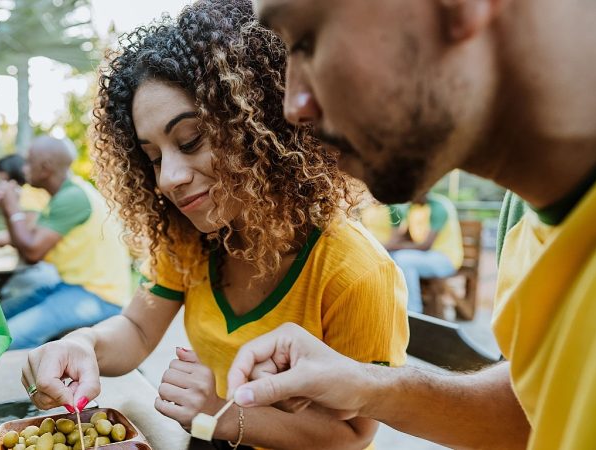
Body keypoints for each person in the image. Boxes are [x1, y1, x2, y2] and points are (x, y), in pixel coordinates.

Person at [21, 2, 408, 449]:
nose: (169, 178)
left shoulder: (357, 273)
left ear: (264, 123)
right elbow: (138, 330)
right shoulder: (190, 239)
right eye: (153, 157)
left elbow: (352, 435)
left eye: (190, 140)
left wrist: (225, 412)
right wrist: (83, 343)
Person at [225, 0, 596, 448]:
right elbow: (532, 413)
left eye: (306, 42)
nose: (293, 106)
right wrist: (364, 385)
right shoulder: (526, 210)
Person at [0, 136, 131, 349]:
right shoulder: (63, 195)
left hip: (98, 296)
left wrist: (11, 208)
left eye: (29, 162)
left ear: (46, 168)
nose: (24, 168)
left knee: (9, 339)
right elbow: (26, 242)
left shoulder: (73, 197)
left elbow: (31, 253)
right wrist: (7, 209)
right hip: (70, 287)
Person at [0, 154, 60, 306]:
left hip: (42, 270)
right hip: (37, 268)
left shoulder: (28, 194)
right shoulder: (28, 194)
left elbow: (22, 236)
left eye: (2, 177)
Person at [385, 192, 462, 313]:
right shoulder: (412, 208)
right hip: (425, 257)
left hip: (445, 259)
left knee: (404, 260)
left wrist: (396, 246)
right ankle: (391, 306)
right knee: (388, 259)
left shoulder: (438, 207)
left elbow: (425, 246)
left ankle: (413, 311)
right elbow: (404, 235)